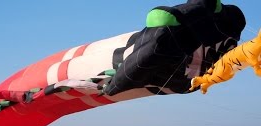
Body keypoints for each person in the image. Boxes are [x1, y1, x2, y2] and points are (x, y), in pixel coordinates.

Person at [104, 0, 245, 96]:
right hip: (188, 82)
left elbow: (145, 58)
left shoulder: (169, 34)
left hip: (169, 75)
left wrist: (113, 87)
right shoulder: (229, 28)